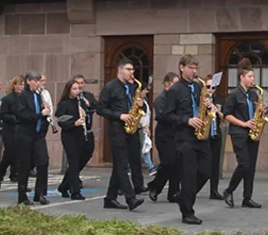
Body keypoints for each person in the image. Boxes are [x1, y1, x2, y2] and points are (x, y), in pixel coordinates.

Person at [164, 55, 215, 224]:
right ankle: (187, 212)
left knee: (206, 171)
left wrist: (208, 107)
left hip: (201, 135)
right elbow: (167, 115)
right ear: (181, 68)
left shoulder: (199, 86)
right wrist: (187, 120)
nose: (194, 71)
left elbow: (203, 106)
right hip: (185, 137)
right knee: (188, 175)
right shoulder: (174, 90)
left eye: (196, 68)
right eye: (191, 68)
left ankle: (183, 196)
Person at [96, 60, 144, 212]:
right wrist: (119, 115)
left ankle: (110, 198)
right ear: (120, 69)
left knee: (121, 164)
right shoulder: (110, 87)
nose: (132, 72)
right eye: (129, 69)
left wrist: (140, 104)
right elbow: (100, 109)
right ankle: (131, 198)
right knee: (122, 164)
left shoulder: (132, 87)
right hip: (117, 129)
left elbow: (136, 105)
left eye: (133, 69)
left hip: (131, 129)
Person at [221, 59, 262, 209]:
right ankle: (229, 190)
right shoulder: (233, 95)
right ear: (242, 77)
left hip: (252, 132)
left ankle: (247, 197)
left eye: (253, 77)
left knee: (251, 166)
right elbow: (227, 115)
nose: (252, 79)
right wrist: (244, 123)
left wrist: (261, 111)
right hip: (239, 132)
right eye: (250, 77)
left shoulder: (253, 94)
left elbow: (256, 112)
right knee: (244, 164)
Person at [14, 70, 52, 206]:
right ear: (28, 81)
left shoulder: (38, 95)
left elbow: (41, 113)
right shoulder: (22, 97)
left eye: (39, 81)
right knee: (25, 165)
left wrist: (46, 113)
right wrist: (40, 114)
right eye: (35, 81)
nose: (37, 83)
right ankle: (22, 196)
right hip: (25, 134)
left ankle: (40, 193)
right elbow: (22, 115)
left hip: (38, 134)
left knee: (43, 162)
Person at [147, 73, 180, 203]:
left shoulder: (177, 97)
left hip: (177, 133)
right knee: (168, 163)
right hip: (164, 135)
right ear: (167, 84)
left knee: (177, 164)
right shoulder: (160, 99)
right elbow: (163, 116)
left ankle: (174, 193)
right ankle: (155, 186)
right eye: (175, 84)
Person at [56, 78, 91, 200]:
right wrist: (74, 123)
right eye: (74, 89)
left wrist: (85, 114)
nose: (77, 91)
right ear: (69, 90)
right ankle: (75, 191)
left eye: (78, 89)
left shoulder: (80, 102)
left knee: (77, 162)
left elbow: (87, 117)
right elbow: (61, 121)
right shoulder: (64, 104)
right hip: (69, 135)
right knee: (73, 161)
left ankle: (64, 186)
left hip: (80, 134)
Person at [0, 75, 25, 189]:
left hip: (21, 129)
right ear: (14, 85)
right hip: (10, 129)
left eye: (23, 85)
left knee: (21, 155)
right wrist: (14, 118)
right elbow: (3, 115)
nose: (22, 87)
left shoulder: (25, 98)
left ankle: (20, 180)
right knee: (10, 152)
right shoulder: (8, 99)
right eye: (20, 84)